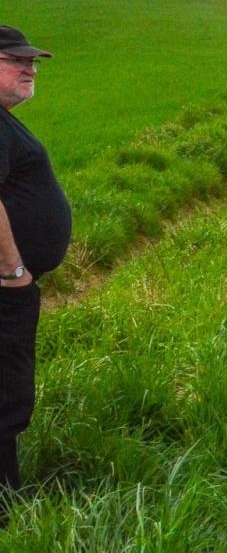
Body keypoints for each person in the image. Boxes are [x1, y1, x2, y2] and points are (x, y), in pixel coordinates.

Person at [0, 26, 72, 500]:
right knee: (4, 398)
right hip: (6, 289)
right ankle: (6, 511)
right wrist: (13, 273)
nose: (31, 68)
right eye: (17, 60)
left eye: (34, 61)